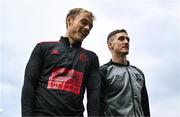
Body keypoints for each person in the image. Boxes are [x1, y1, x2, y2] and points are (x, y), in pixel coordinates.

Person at [21, 8, 101, 117]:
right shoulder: (43, 48)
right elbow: (29, 84)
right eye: (84, 22)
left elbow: (94, 95)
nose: (87, 28)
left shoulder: (91, 58)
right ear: (70, 20)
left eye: (90, 26)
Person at [99, 29, 150, 116]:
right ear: (110, 45)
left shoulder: (138, 73)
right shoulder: (103, 72)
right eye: (121, 39)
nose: (126, 42)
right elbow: (98, 105)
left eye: (127, 39)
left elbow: (145, 105)